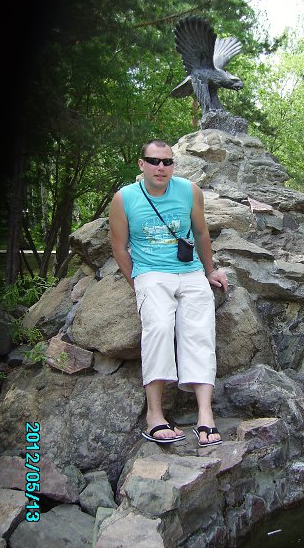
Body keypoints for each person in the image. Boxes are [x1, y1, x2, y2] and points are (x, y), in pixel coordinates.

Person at [109, 139, 228, 447]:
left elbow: (201, 233)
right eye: (153, 161)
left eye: (166, 161)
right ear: (142, 164)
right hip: (151, 274)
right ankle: (155, 416)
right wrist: (137, 283)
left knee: (200, 331)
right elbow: (119, 247)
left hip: (189, 272)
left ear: (173, 165)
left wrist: (210, 270)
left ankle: (205, 415)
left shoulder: (189, 191)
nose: (160, 167)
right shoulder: (125, 198)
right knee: (159, 328)